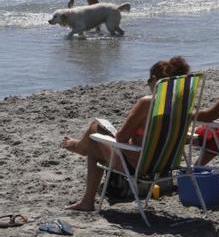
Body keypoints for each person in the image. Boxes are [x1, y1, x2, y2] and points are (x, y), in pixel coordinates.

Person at [61, 56, 190, 211]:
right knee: (95, 141)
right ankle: (80, 148)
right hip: (166, 165)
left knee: (95, 131)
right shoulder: (183, 104)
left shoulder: (148, 103)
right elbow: (186, 137)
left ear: (155, 80)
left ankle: (86, 193)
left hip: (139, 167)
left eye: (149, 81)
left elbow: (121, 138)